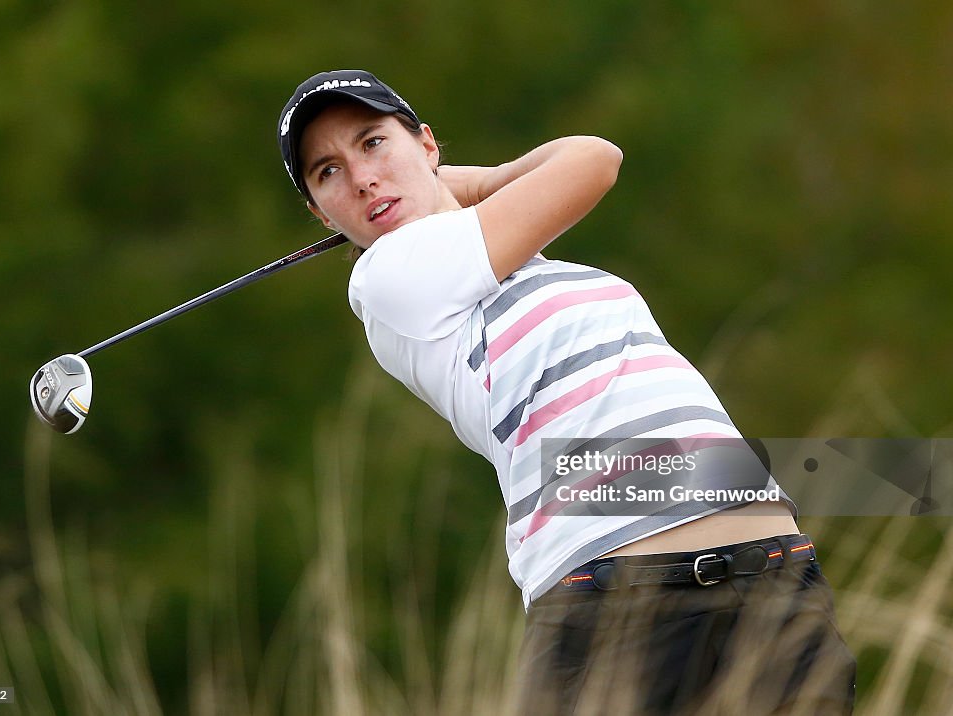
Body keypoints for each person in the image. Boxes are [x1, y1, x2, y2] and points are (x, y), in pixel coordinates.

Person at [277, 70, 856, 714]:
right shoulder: (387, 279)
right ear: (318, 213)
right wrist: (473, 180)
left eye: (373, 142)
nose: (361, 178)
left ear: (427, 142)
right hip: (619, 598)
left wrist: (447, 183)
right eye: (327, 172)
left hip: (773, 577)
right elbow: (594, 159)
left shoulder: (544, 274)